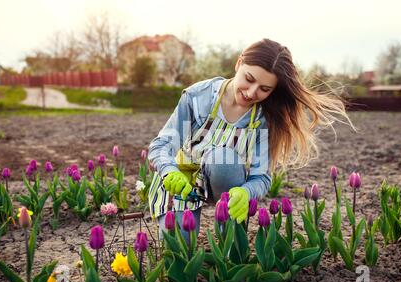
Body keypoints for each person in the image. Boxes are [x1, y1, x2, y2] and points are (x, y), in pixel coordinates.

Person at [147, 38, 354, 241]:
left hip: (225, 182)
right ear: (239, 63)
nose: (251, 92)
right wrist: (169, 171)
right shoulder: (197, 97)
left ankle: (231, 242)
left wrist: (245, 193)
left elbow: (261, 177)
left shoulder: (264, 118)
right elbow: (161, 146)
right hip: (183, 182)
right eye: (249, 78)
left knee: (223, 159)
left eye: (265, 89)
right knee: (178, 253)